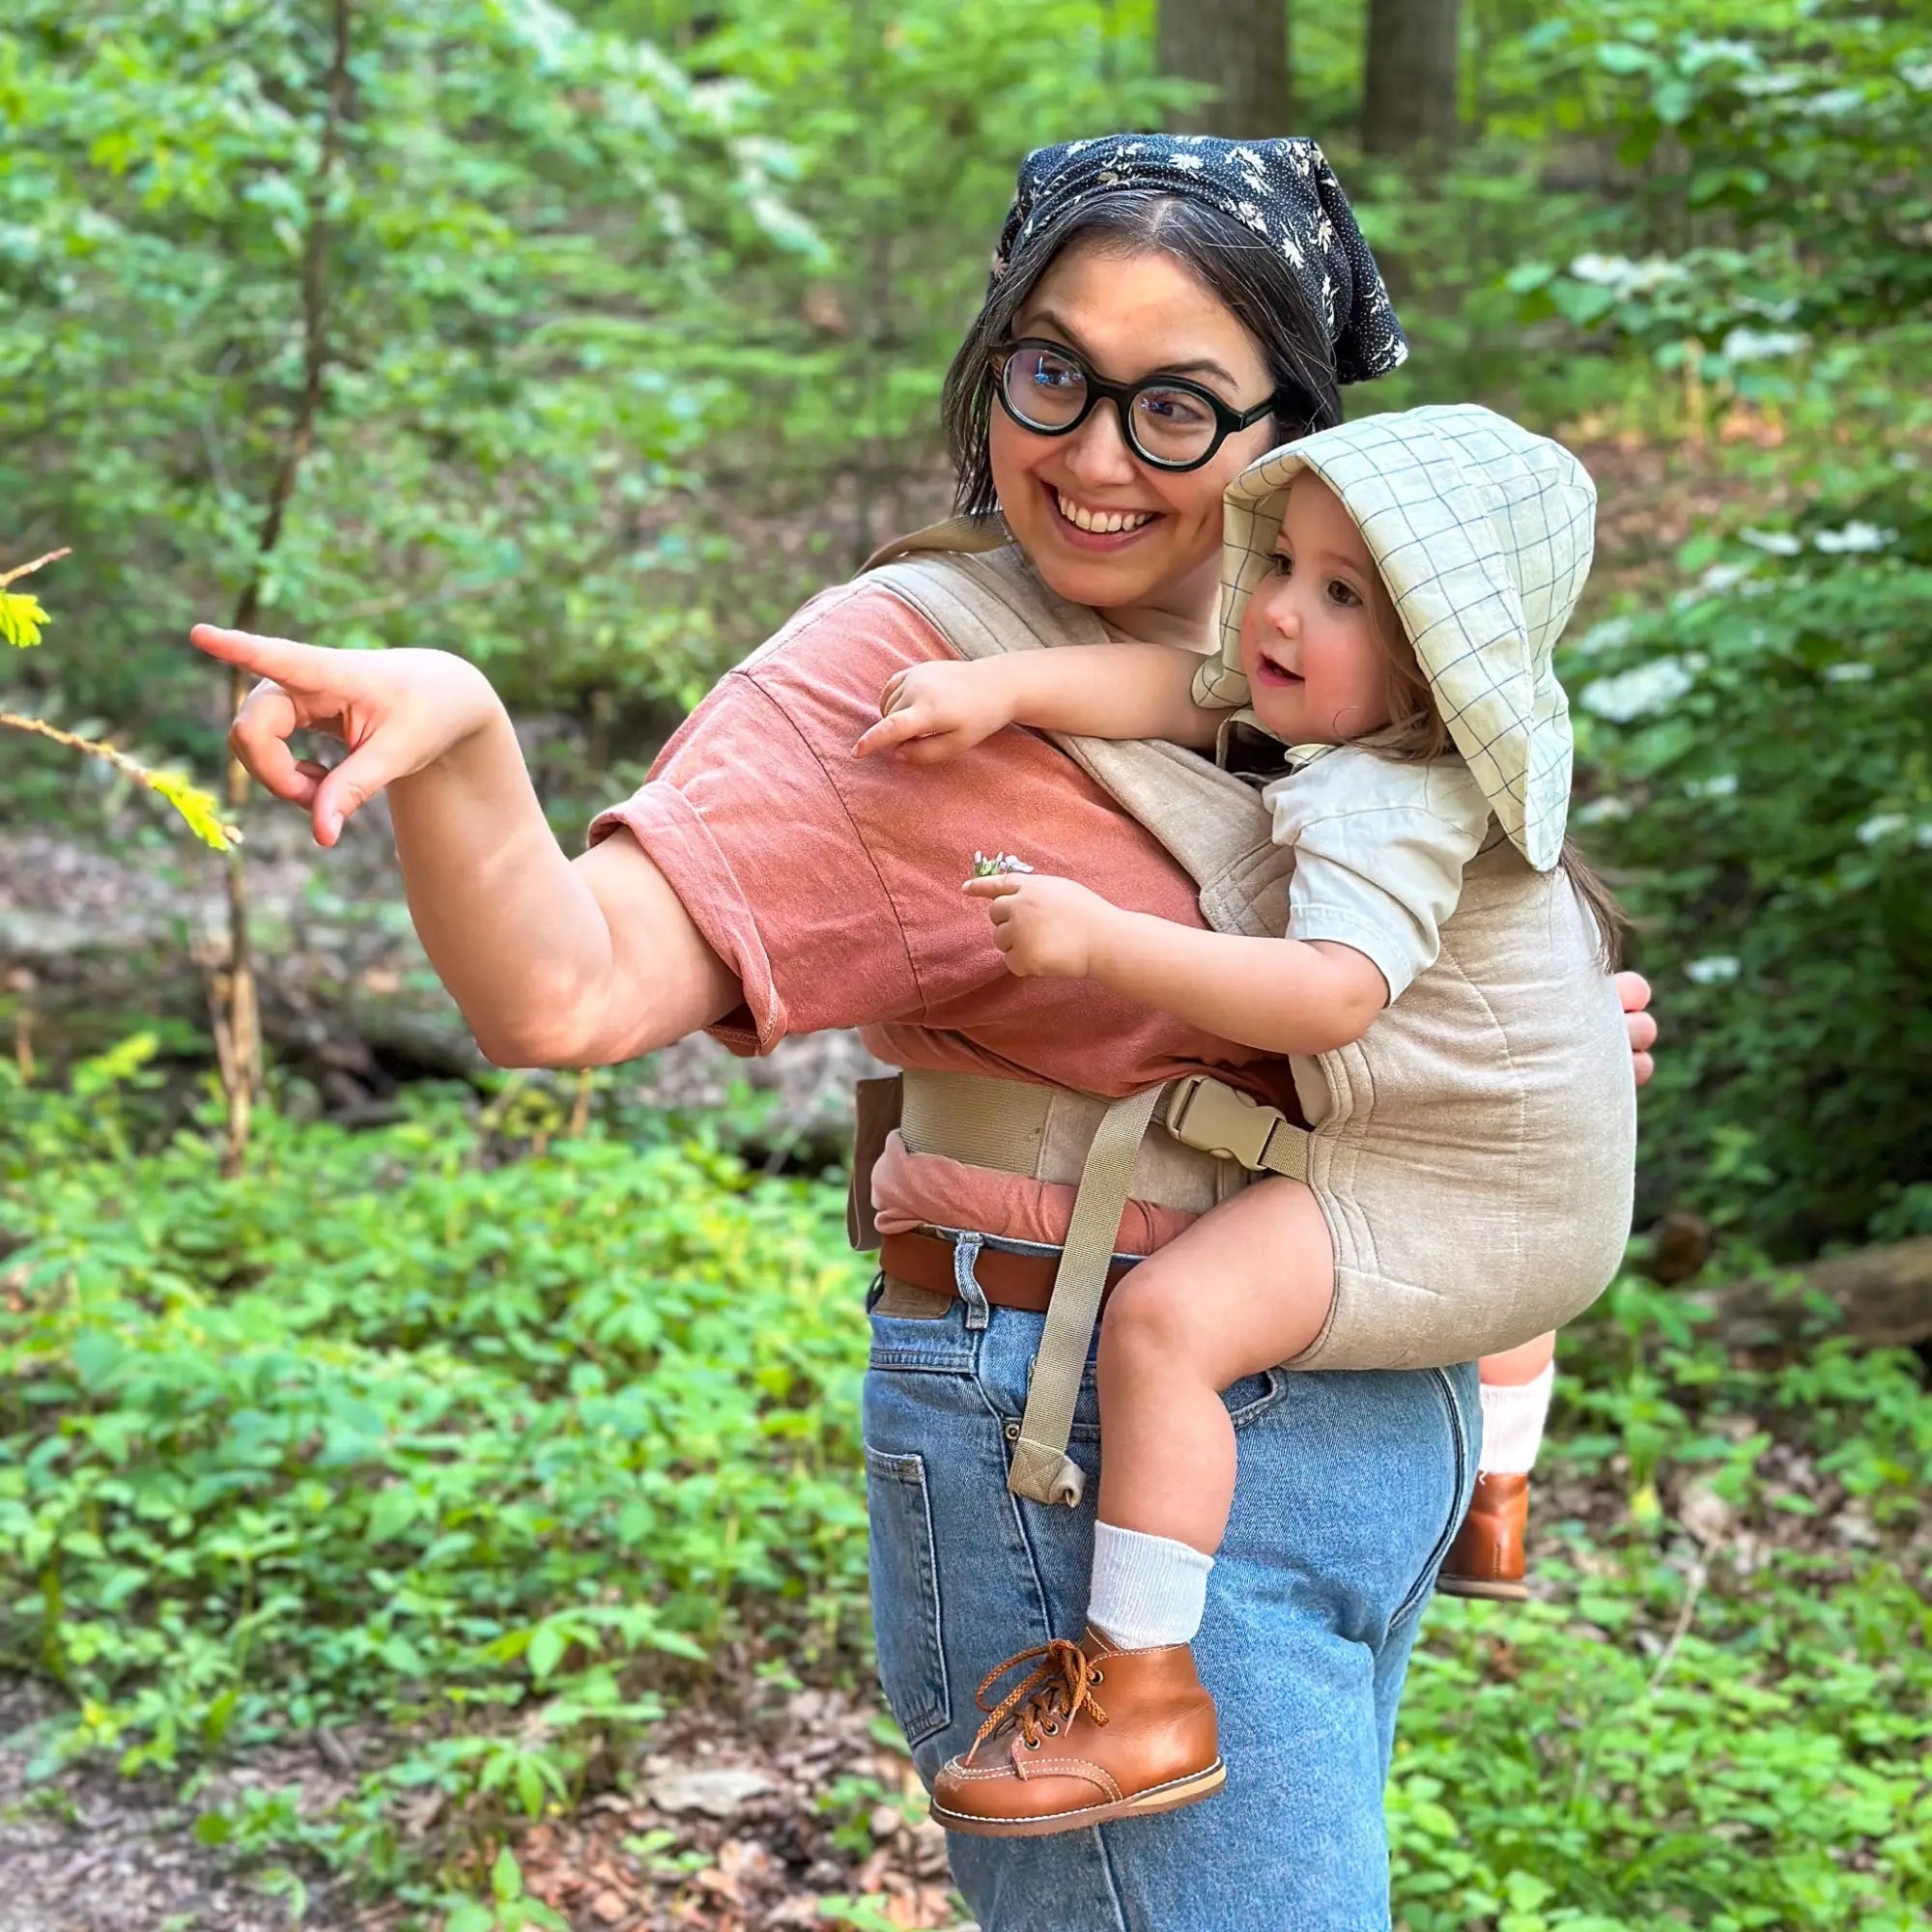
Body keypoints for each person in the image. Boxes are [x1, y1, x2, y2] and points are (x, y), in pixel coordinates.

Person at [191, 133, 1658, 1930]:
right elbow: (563, 987)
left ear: (1299, 423)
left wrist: (1539, 1061)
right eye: (1053, 373)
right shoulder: (903, 672)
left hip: (1364, 1425)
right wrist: (470, 735)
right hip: (1088, 1437)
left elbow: (1410, 999)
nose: (1096, 454)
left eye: (1179, 407)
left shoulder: (1367, 678)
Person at [855, 402, 1634, 1835]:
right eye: (1287, 564)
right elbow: (1180, 688)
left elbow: (1330, 996)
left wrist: (1100, 944)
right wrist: (1003, 692)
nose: (1277, 609)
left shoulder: (1386, 804)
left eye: (1343, 595)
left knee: (1167, 1326)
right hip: (1517, 1189)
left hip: (1458, 1200)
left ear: (1430, 657)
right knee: (1186, 1318)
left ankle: (1144, 1682)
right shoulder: (1363, 733)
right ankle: (1494, 1492)